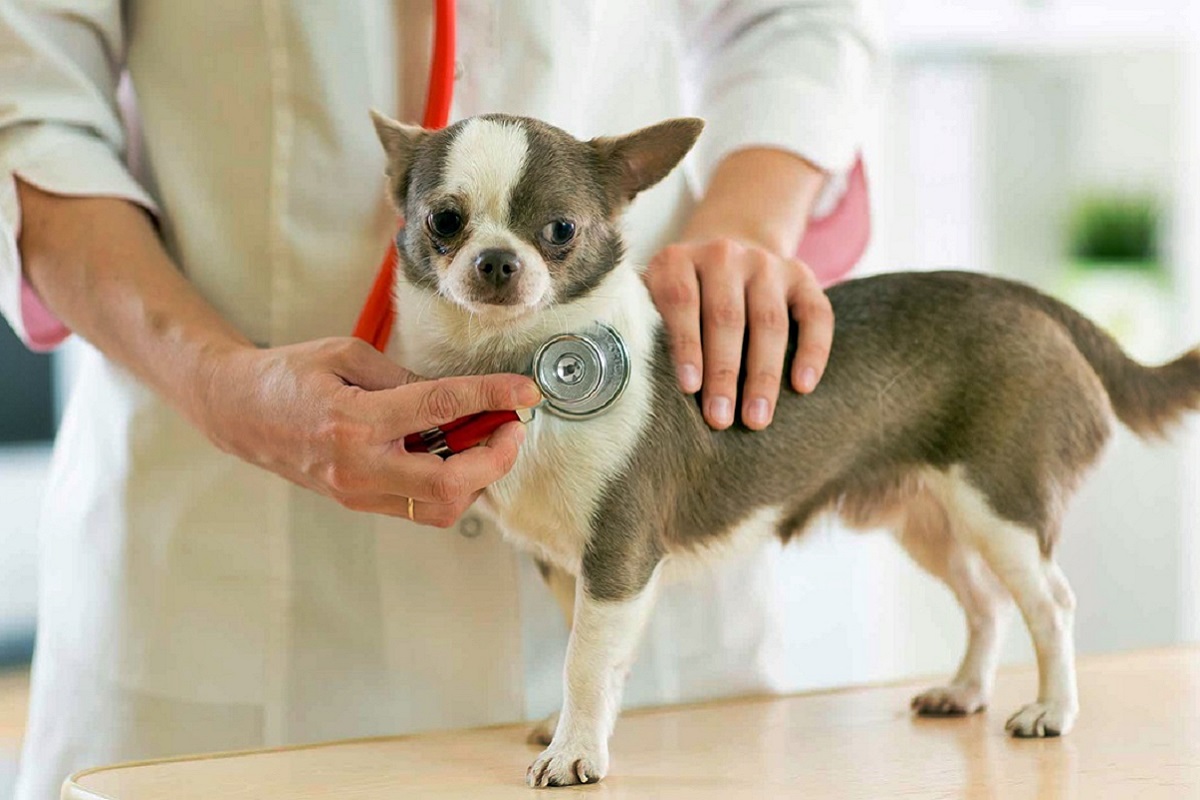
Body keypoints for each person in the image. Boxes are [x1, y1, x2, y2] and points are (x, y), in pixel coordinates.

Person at [0, 2, 876, 797]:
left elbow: (793, 20)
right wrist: (218, 383)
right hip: (232, 579)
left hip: (646, 498)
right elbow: (27, 113)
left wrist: (750, 220)